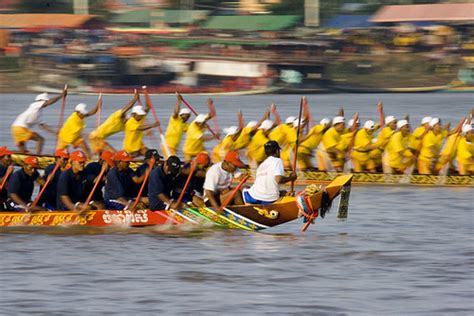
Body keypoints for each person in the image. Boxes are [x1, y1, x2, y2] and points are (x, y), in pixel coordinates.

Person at [11, 90, 66, 154]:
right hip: (20, 128)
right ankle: (38, 156)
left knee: (23, 152)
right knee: (40, 140)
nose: (45, 104)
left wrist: (55, 133)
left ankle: (7, 153)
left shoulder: (38, 113)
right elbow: (49, 102)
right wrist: (61, 96)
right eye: (45, 102)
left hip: (15, 128)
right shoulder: (35, 105)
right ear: (42, 101)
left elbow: (43, 126)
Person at [243, 141, 297, 205]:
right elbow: (278, 179)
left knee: (244, 188)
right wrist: (292, 178)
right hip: (270, 199)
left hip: (254, 197)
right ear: (277, 151)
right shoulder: (277, 161)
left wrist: (283, 193)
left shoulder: (262, 165)